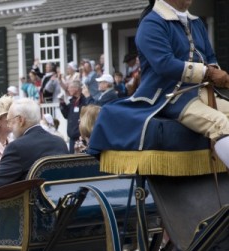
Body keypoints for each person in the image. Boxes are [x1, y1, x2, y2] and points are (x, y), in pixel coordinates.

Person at [88, 0, 229, 169]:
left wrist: (215, 71)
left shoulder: (196, 22)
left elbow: (209, 57)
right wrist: (208, 73)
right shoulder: (151, 23)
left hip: (200, 91)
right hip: (167, 97)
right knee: (220, 122)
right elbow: (165, 64)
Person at [0, 98, 68, 198]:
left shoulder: (17, 146)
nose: (9, 126)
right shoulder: (60, 142)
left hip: (31, 209)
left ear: (20, 120)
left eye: (10, 121)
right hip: (62, 204)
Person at [60, 80, 89, 153]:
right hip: (72, 138)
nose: (68, 89)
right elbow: (66, 115)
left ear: (76, 89)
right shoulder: (72, 102)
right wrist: (62, 104)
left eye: (70, 87)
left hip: (81, 138)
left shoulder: (84, 101)